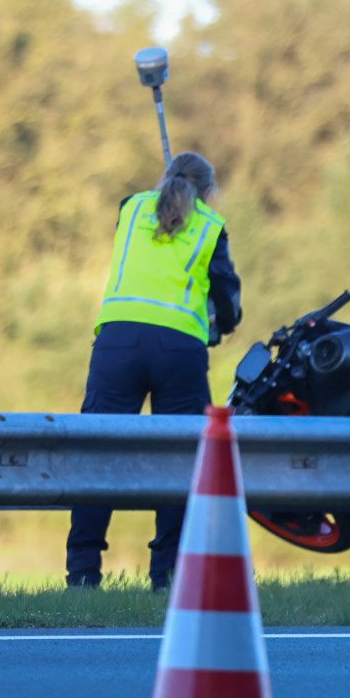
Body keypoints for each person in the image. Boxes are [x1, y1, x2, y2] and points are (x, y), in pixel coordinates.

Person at [66, 151, 241, 591]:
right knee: (182, 459)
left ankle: (83, 573)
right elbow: (226, 297)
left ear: (164, 179)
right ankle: (166, 575)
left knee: (98, 454)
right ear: (207, 193)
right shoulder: (210, 225)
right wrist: (224, 323)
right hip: (178, 349)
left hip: (117, 344)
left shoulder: (131, 207)